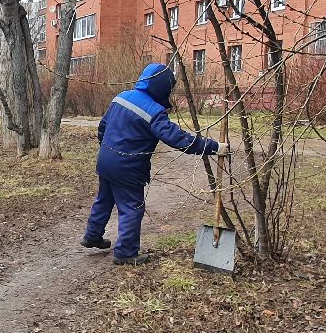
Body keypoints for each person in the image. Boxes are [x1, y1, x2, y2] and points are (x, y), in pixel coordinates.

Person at [82, 63, 228, 265]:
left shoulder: (121, 97)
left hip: (106, 160)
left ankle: (92, 235)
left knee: (104, 199)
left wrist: (107, 150)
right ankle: (125, 253)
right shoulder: (154, 112)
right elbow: (178, 139)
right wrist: (213, 147)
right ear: (162, 88)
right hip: (128, 169)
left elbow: (103, 127)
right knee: (132, 208)